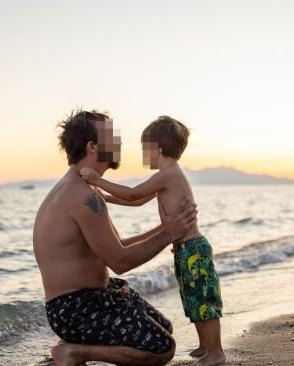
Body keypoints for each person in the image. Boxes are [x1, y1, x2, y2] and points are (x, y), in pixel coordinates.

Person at [33, 110, 198, 366]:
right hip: (76, 309)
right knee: (162, 349)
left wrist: (169, 227)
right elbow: (120, 260)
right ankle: (74, 352)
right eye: (112, 137)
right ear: (92, 146)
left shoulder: (86, 189)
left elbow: (118, 246)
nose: (119, 143)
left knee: (163, 327)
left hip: (96, 295)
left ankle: (73, 346)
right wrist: (169, 233)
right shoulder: (80, 197)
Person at [81, 115, 225, 366]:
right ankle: (205, 346)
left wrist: (96, 180)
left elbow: (134, 192)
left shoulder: (169, 174)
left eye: (145, 150)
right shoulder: (164, 176)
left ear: (157, 148)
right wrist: (106, 197)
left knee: (204, 300)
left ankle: (217, 353)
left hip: (193, 248)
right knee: (192, 299)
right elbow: (136, 200)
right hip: (183, 249)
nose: (144, 156)